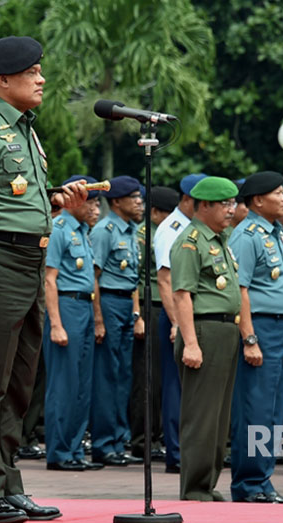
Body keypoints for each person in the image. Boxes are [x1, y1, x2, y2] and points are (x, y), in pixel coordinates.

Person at [0, 35, 85, 523]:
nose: (41, 79)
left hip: (28, 262)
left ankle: (9, 485)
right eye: (32, 72)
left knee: (19, 384)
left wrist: (53, 200)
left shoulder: (24, 130)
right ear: (3, 80)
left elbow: (12, 201)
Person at [227, 171, 283, 504]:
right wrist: (249, 337)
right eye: (278, 193)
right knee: (255, 408)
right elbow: (240, 289)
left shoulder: (277, 233)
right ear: (257, 200)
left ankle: (264, 480)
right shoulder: (248, 235)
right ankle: (249, 483)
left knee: (273, 409)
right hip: (262, 328)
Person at [170, 176, 241, 501]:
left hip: (225, 330)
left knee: (219, 415)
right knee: (201, 416)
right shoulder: (191, 241)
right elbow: (182, 295)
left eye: (233, 203)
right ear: (205, 205)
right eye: (225, 204)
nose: (232, 210)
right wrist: (192, 343)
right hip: (203, 330)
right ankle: (195, 488)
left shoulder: (219, 239)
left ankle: (208, 483)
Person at [42, 176, 103, 471]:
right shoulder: (59, 229)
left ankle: (75, 449)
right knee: (63, 383)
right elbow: (48, 279)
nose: (93, 206)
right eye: (89, 200)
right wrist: (55, 323)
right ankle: (59, 452)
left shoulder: (83, 231)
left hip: (84, 306)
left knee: (82, 384)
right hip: (65, 306)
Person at [89, 175, 144, 466]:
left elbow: (133, 277)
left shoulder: (133, 230)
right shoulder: (105, 230)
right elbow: (94, 278)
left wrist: (136, 314)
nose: (139, 203)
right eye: (134, 198)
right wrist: (98, 319)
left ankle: (118, 440)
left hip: (125, 303)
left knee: (123, 375)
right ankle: (103, 443)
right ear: (117, 202)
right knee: (107, 375)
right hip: (108, 301)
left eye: (140, 197)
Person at [153, 173, 204, 474]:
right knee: (175, 386)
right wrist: (176, 323)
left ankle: (191, 449)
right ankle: (177, 452)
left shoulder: (193, 228)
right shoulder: (171, 229)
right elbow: (165, 279)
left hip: (194, 315)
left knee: (191, 387)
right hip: (176, 316)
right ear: (187, 200)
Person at [130, 185, 178, 461]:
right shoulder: (143, 235)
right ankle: (142, 439)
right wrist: (138, 315)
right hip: (152, 306)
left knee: (162, 378)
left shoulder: (167, 231)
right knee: (148, 377)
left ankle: (156, 436)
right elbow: (136, 278)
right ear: (156, 212)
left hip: (167, 304)